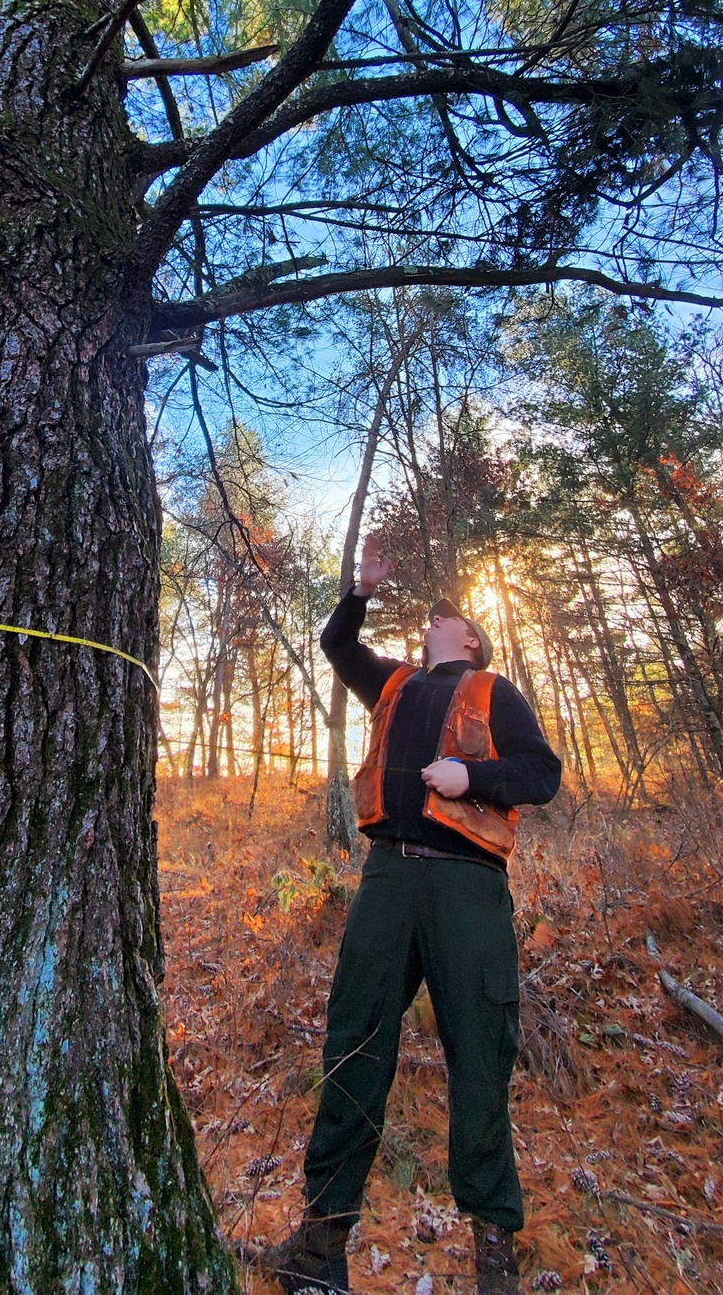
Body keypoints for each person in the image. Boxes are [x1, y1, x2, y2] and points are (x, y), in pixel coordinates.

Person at [253, 534, 561, 1295]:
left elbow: (542, 773)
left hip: (466, 888)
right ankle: (320, 1253)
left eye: (446, 618)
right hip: (386, 880)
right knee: (353, 1046)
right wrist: (359, 588)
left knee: (480, 1061)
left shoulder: (494, 691)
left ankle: (495, 1268)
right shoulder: (394, 684)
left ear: (472, 640)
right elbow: (335, 644)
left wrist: (470, 774)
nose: (433, 620)